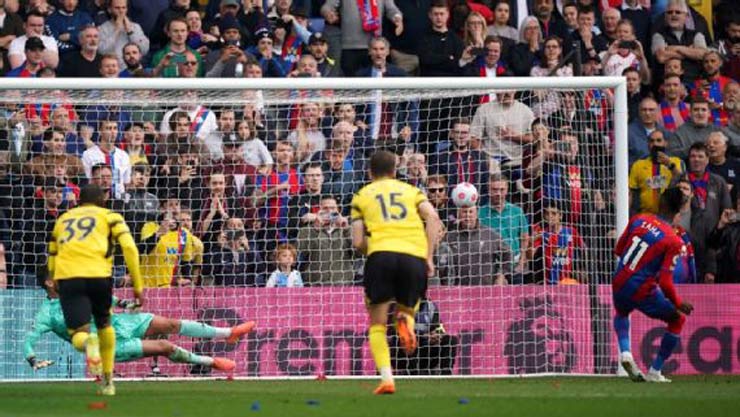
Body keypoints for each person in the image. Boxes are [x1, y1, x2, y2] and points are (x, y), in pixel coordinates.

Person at [350, 150, 443, 395]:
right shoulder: (411, 191)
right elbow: (433, 218)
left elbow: (357, 240)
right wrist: (428, 255)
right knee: (406, 308)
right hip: (413, 256)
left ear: (370, 172)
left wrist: (378, 249)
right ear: (395, 170)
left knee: (378, 324)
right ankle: (407, 321)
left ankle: (387, 379)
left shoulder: (361, 195)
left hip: (381, 256)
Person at [24, 275, 255, 373]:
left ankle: (229, 332)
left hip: (122, 322)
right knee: (165, 348)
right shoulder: (47, 313)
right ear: (50, 282)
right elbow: (30, 338)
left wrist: (124, 303)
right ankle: (210, 362)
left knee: (170, 324)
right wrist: (33, 359)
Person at [47, 183, 144, 395]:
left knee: (78, 334)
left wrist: (53, 277)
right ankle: (108, 382)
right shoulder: (110, 216)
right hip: (99, 276)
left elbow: (53, 251)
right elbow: (129, 247)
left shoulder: (64, 219)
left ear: (80, 201)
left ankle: (88, 342)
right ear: (103, 200)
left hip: (69, 277)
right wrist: (138, 284)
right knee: (105, 324)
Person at [613, 187, 694, 383]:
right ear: (680, 211)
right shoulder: (673, 240)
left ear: (660, 202)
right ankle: (655, 371)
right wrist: (677, 302)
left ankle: (625, 352)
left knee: (622, 313)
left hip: (619, 280)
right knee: (677, 320)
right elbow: (666, 282)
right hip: (642, 288)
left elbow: (618, 250)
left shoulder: (639, 219)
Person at [389, 297, 458, 375]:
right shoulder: (397, 306)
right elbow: (394, 332)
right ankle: (413, 377)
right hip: (402, 354)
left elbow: (437, 328)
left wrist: (436, 336)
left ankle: (446, 377)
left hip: (425, 352)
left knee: (450, 340)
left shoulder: (430, 306)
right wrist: (424, 336)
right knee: (412, 339)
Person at [629, 130, 684, 215]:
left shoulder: (676, 162)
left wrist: (669, 164)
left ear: (665, 143)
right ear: (648, 145)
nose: (655, 144)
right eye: (652, 141)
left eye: (659, 140)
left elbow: (681, 178)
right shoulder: (638, 165)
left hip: (670, 216)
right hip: (646, 216)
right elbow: (631, 192)